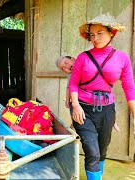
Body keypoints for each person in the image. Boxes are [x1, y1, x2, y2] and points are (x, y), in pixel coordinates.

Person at [69, 14, 135, 179]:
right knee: (92, 151)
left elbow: (129, 87)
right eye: (92, 34)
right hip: (82, 109)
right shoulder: (83, 57)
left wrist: (134, 113)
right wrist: (75, 106)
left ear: (111, 32)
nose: (95, 38)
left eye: (100, 33)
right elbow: (73, 84)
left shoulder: (122, 58)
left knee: (102, 149)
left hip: (107, 110)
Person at [56, 56, 120, 132]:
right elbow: (69, 87)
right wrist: (67, 99)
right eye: (63, 68)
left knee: (109, 104)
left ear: (73, 59)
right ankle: (74, 125)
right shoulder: (71, 75)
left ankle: (113, 121)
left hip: (100, 95)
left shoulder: (87, 65)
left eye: (66, 63)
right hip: (83, 100)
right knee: (77, 109)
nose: (66, 66)